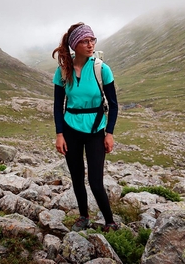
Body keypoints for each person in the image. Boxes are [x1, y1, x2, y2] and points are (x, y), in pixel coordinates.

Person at [52, 22, 119, 232]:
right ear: (74, 45)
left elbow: (114, 104)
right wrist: (59, 134)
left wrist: (109, 133)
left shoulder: (102, 69)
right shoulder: (63, 71)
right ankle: (83, 217)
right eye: (85, 41)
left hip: (96, 131)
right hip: (71, 129)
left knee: (96, 181)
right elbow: (57, 105)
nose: (90, 45)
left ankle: (110, 222)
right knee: (77, 177)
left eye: (92, 40)